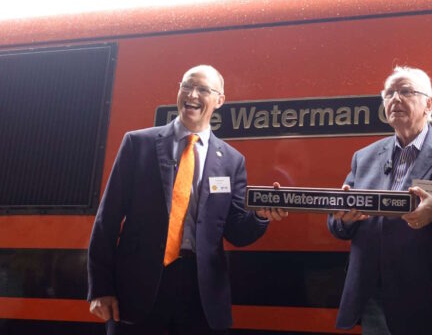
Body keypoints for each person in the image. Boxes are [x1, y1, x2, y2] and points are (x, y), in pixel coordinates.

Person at [87, 65, 286, 334]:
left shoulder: (231, 161)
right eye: (186, 86)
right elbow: (106, 220)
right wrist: (101, 288)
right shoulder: (138, 145)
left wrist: (261, 215)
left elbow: (237, 231)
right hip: (137, 289)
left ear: (219, 101)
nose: (192, 94)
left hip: (201, 295)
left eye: (203, 90)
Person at [327, 66, 432, 335]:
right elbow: (338, 222)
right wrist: (343, 219)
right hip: (374, 297)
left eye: (406, 91)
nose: (395, 99)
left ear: (429, 104)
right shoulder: (364, 157)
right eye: (389, 93)